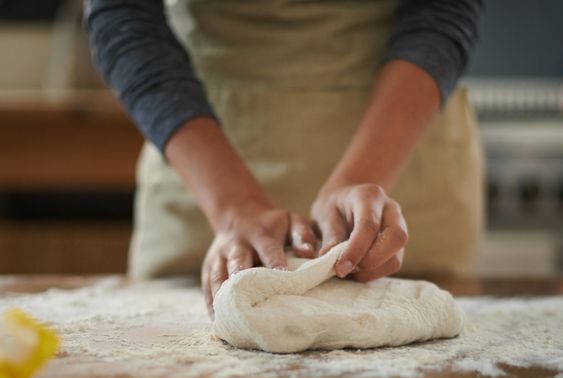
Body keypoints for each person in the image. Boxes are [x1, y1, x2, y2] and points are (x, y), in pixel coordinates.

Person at [85, 0, 484, 314]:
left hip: (400, 157)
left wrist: (363, 176)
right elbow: (123, 15)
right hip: (201, 169)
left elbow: (443, 10)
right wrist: (231, 205)